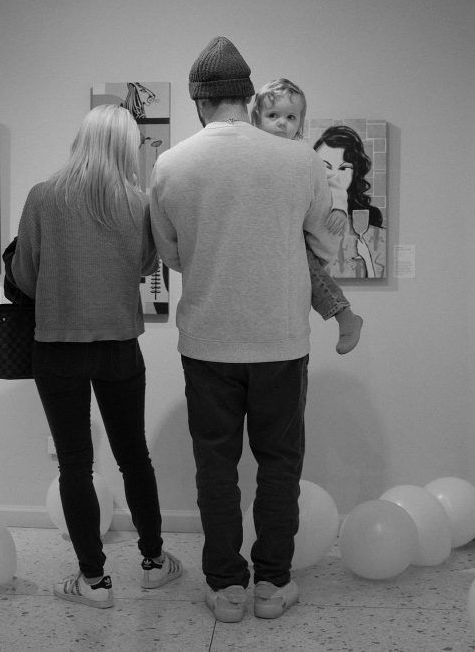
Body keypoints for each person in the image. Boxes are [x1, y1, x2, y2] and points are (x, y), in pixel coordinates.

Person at [149, 37, 339, 623]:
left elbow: (171, 254)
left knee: (216, 466)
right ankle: (271, 586)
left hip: (207, 340)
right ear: (248, 95)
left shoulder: (172, 164)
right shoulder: (300, 159)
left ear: (200, 101)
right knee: (280, 465)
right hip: (281, 339)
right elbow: (324, 243)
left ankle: (227, 587)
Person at [11, 104, 182, 609]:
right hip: (119, 344)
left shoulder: (44, 196)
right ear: (128, 148)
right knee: (135, 456)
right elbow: (146, 265)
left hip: (57, 346)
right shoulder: (139, 203)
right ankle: (153, 562)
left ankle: (93, 580)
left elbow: (24, 274)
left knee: (74, 464)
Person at [250, 78, 363, 354]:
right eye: (273, 115)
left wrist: (339, 207)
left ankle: (344, 314)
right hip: (270, 232)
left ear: (300, 123)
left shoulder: (303, 155)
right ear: (256, 118)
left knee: (308, 267)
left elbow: (333, 182)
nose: (281, 123)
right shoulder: (252, 153)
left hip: (297, 233)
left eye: (291, 117)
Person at [312, 125, 386, 279]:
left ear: (356, 172)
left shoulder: (371, 231)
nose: (333, 175)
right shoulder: (301, 217)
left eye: (344, 168)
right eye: (325, 166)